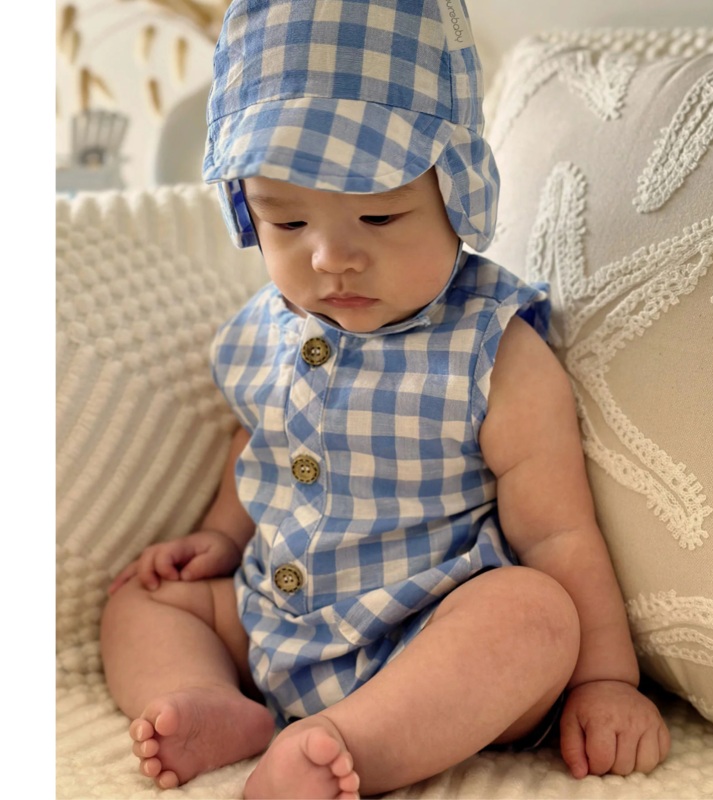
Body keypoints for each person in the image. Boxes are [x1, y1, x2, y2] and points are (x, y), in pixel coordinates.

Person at [100, 1, 670, 797]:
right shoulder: (263, 330)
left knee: (536, 614)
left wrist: (606, 680)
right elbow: (259, 440)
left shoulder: (495, 352)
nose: (331, 258)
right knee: (142, 602)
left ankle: (347, 745)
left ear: (458, 194)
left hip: (426, 638)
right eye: (287, 222)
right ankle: (209, 700)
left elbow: (558, 534)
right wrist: (220, 537)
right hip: (272, 622)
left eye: (380, 214)